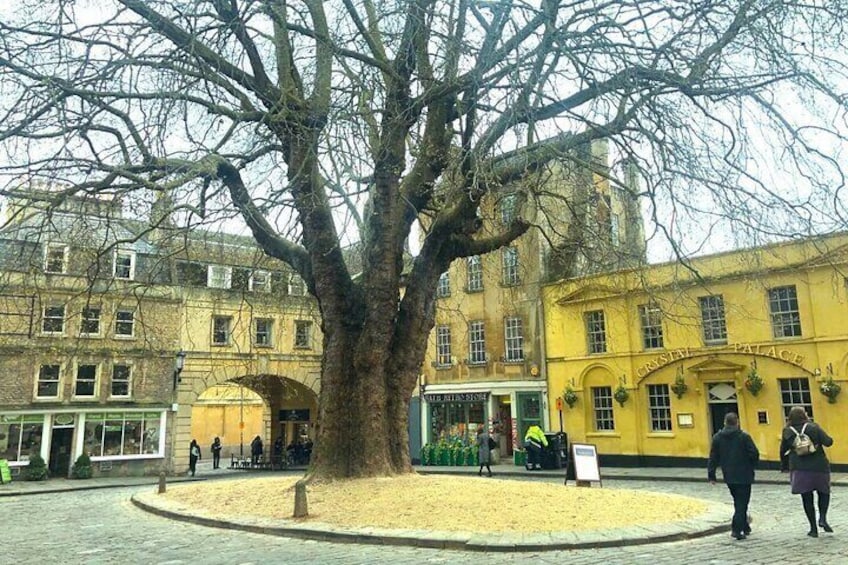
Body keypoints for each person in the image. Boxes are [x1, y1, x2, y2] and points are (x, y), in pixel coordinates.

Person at [780, 406, 834, 537]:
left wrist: (784, 466)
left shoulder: (787, 431)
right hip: (819, 466)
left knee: (806, 498)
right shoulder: (814, 427)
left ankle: (813, 529)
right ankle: (822, 518)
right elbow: (828, 442)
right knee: (824, 493)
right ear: (804, 415)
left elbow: (783, 450)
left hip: (799, 468)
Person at [707, 412, 759, 540]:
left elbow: (713, 457)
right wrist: (751, 465)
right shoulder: (744, 437)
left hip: (729, 475)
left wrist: (711, 475)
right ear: (737, 422)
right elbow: (754, 454)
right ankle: (736, 529)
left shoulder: (717, 437)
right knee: (742, 503)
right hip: (744, 474)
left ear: (725, 422)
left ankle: (745, 526)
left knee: (738, 501)